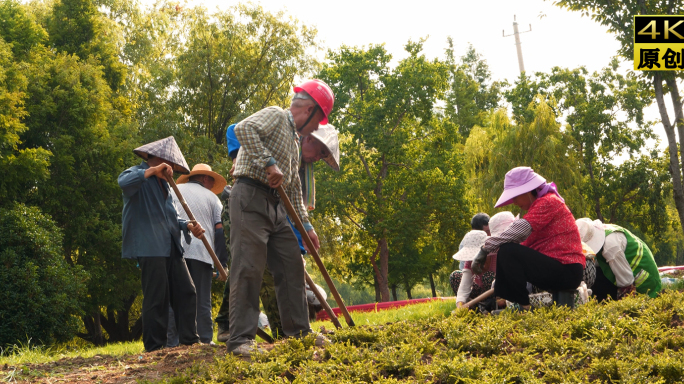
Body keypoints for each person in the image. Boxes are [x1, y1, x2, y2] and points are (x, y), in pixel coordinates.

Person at [227, 79, 335, 357]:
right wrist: (268, 162)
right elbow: (243, 129)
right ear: (308, 109)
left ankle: (299, 333)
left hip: (277, 206)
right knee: (249, 267)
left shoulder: (296, 141)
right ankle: (240, 340)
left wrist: (307, 226)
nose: (315, 128)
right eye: (317, 121)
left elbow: (294, 188)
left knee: (291, 265)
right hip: (250, 196)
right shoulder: (276, 115)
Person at [118, 136, 205, 352]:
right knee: (157, 297)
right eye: (170, 165)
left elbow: (171, 218)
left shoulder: (166, 187)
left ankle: (190, 341)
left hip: (171, 246)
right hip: (150, 246)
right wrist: (152, 171)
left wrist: (188, 226)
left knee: (187, 291)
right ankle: (155, 347)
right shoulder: (138, 175)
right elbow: (123, 182)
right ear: (158, 159)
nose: (172, 171)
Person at [472, 167, 585, 310]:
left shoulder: (548, 202)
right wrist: (490, 256)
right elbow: (521, 245)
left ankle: (525, 309)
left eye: (515, 196)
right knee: (506, 251)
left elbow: (519, 229)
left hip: (567, 270)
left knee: (508, 251)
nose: (514, 202)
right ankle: (518, 305)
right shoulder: (539, 206)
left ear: (526, 190)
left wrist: (485, 249)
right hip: (558, 269)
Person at [166, 164, 226, 347]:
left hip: (175, 250)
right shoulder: (213, 199)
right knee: (201, 298)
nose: (212, 185)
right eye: (211, 182)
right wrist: (222, 264)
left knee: (174, 298)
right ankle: (205, 339)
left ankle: (172, 342)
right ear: (205, 178)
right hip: (202, 252)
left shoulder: (174, 190)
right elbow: (220, 231)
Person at [576, 218, 661, 301]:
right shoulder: (603, 232)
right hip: (630, 274)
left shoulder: (610, 247)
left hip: (644, 283)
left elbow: (626, 281)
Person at [451, 212, 515, 310]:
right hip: (480, 292)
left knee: (489, 277)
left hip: (502, 292)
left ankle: (492, 306)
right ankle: (476, 307)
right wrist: (460, 305)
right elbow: (464, 286)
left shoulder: (498, 255)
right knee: (455, 276)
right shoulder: (470, 261)